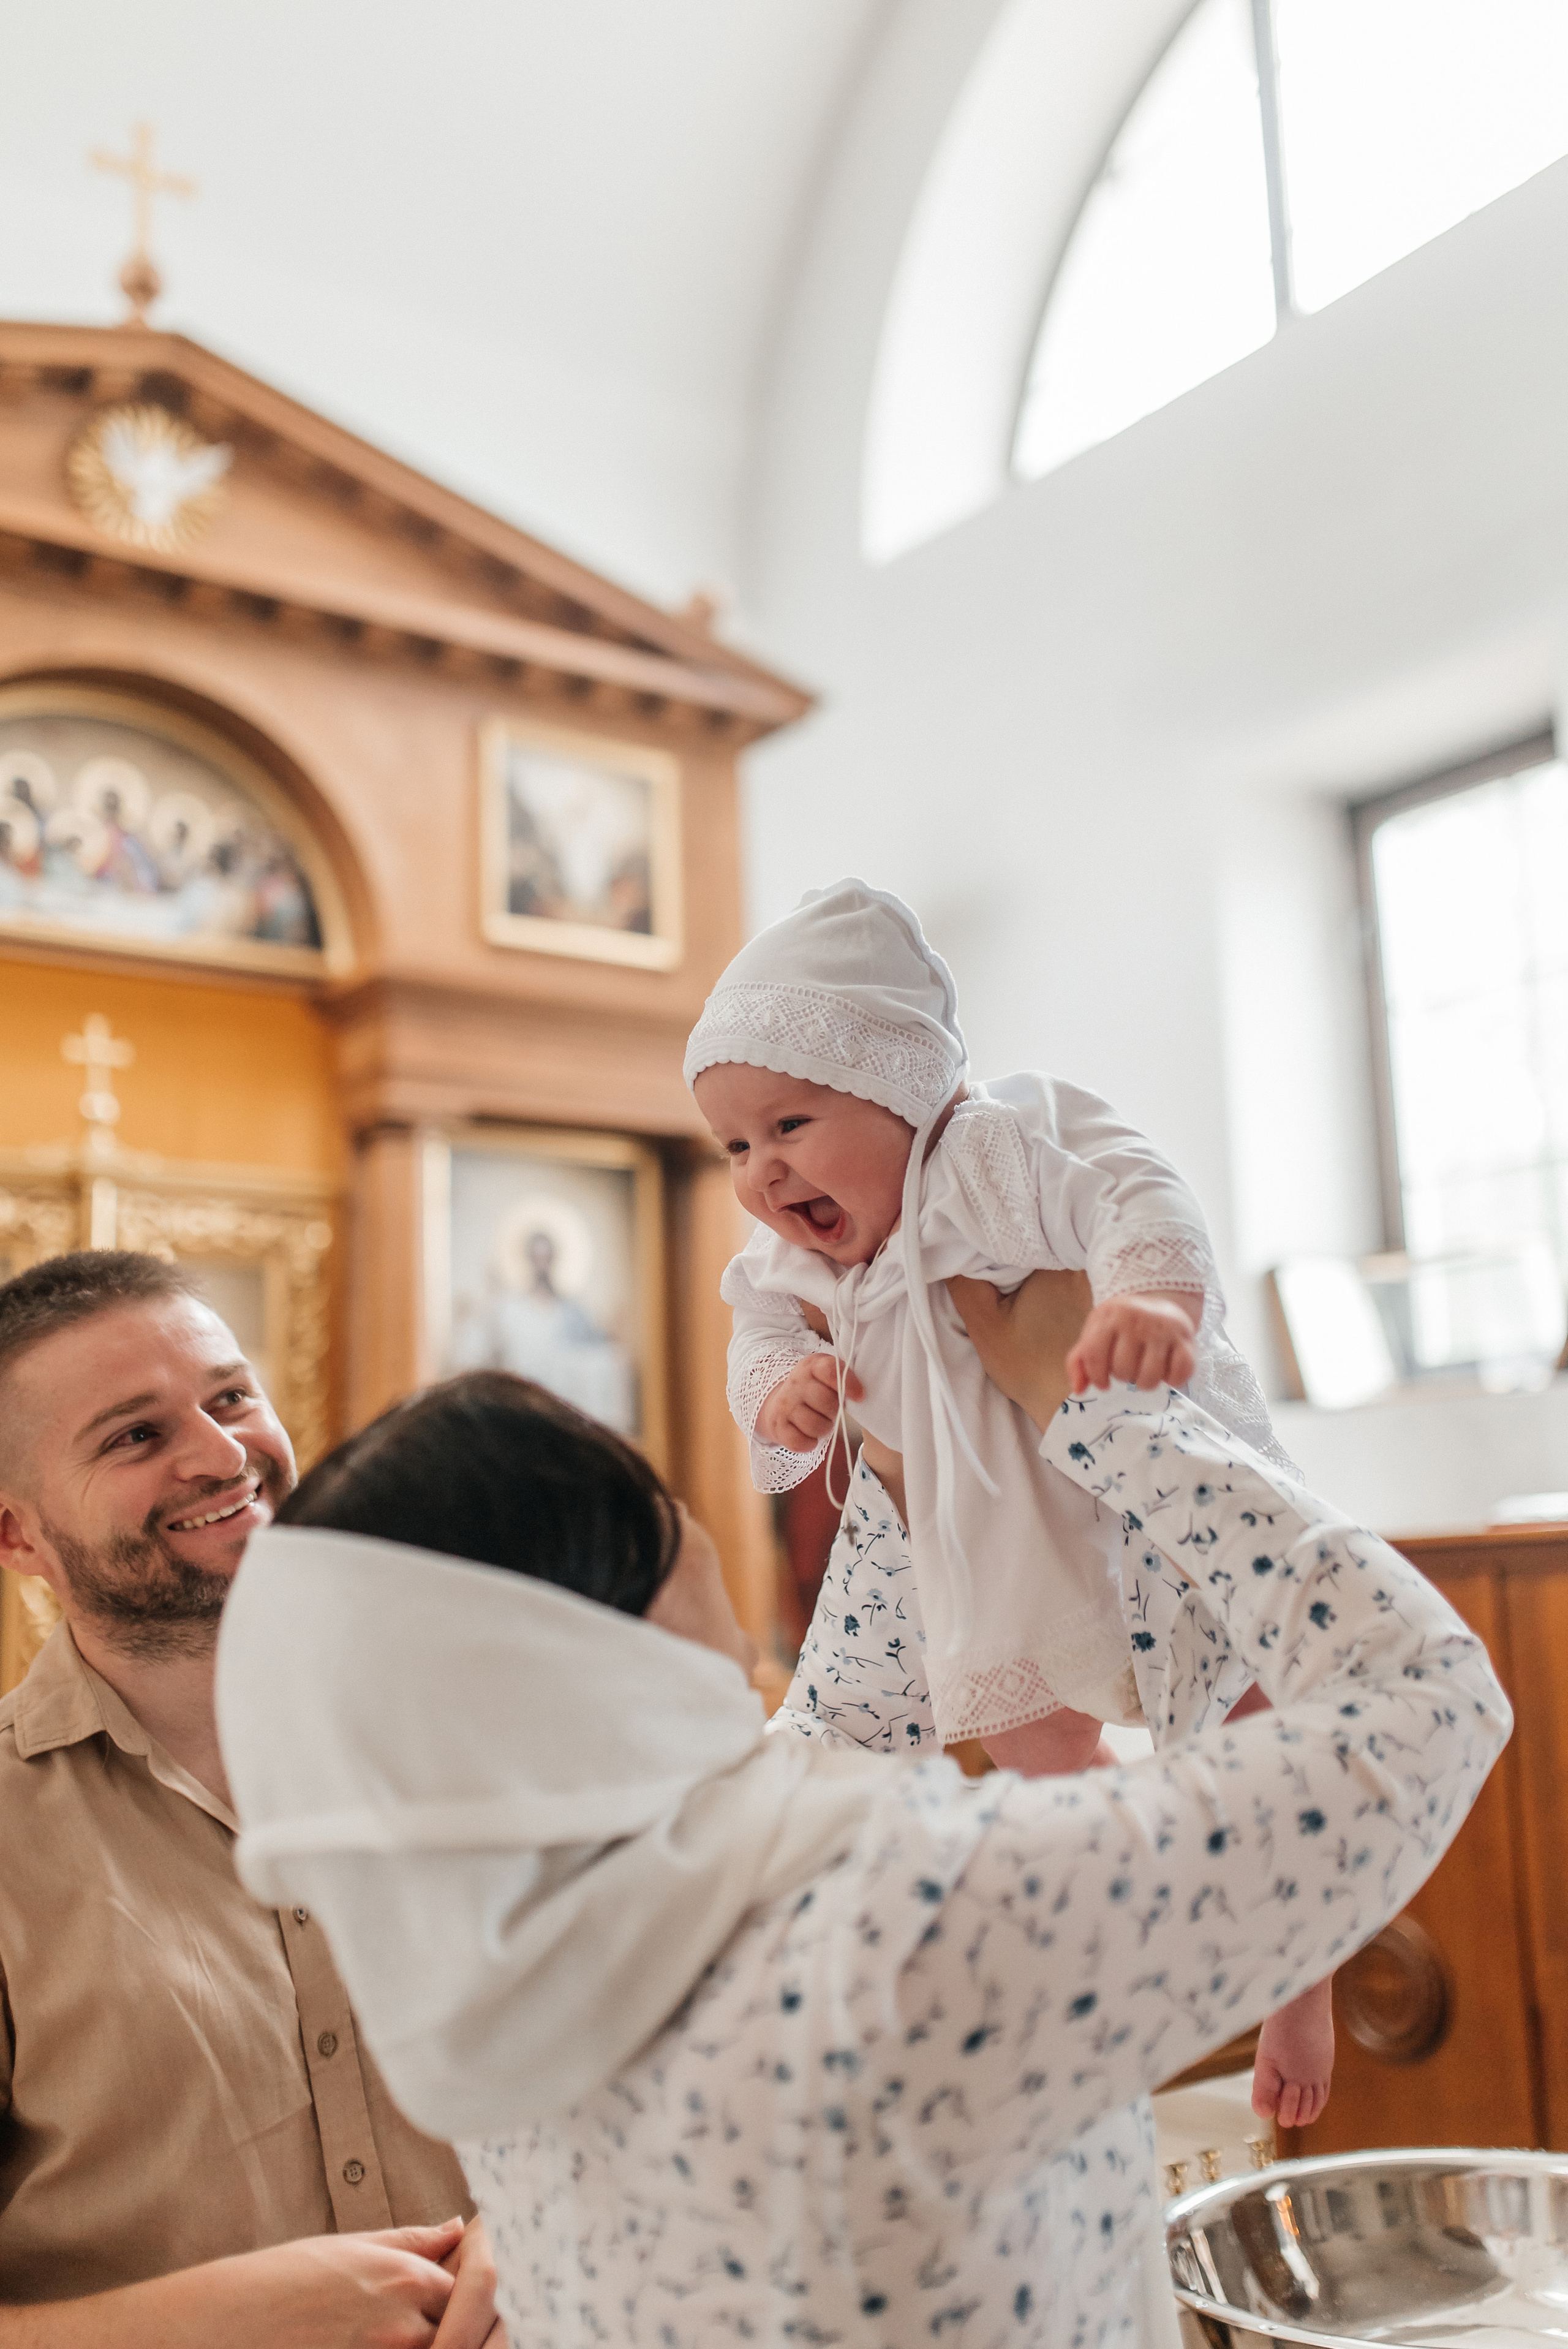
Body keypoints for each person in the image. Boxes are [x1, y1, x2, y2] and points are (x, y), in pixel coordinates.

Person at [214, 1279, 1510, 2348]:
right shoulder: (914, 1916)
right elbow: (1431, 1701)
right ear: (597, 1623)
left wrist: (927, 1431)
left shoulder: (490, 1960)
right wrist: (1105, 1415)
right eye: (654, 1497)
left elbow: (829, 1714)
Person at [684, 875, 1333, 2127]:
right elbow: (751, 1317)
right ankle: (1093, 1936)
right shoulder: (801, 1251)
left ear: (898, 1084)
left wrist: (1147, 1297)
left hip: (1110, 1476)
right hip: (946, 1525)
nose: (762, 1172)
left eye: (790, 1124)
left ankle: (1294, 1969)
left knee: (1241, 1712)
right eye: (734, 1148)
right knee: (1015, 1744)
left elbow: (1129, 1189)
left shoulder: (989, 1151)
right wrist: (779, 1387)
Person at [0, 1251, 500, 2347]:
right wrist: (201, 2321)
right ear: (16, 1534)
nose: (225, 1454)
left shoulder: (492, 1732)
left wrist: (547, 2223)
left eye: (230, 1397)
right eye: (136, 1434)